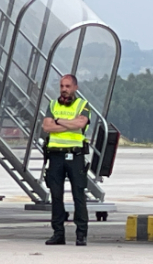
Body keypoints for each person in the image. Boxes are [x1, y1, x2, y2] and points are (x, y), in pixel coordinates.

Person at [41, 74, 92, 246]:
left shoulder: (82, 105)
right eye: (62, 86)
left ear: (75, 88)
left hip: (75, 156)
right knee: (56, 196)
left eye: (68, 86)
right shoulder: (52, 104)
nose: (64, 89)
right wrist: (68, 123)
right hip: (55, 156)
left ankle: (81, 234)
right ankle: (58, 233)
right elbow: (46, 126)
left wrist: (58, 122)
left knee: (79, 195)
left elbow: (80, 123)